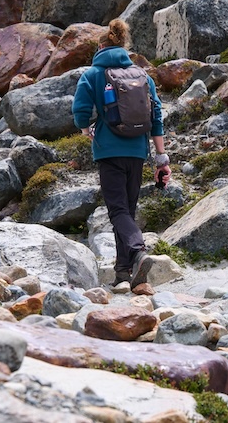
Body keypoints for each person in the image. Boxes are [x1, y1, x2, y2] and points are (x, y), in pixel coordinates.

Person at [72, 19, 170, 288]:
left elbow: (80, 111)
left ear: (101, 46)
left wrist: (84, 128)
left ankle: (138, 250)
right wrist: (161, 158)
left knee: (117, 212)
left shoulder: (92, 74)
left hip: (108, 152)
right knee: (127, 210)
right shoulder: (143, 76)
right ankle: (123, 273)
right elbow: (157, 115)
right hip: (138, 151)